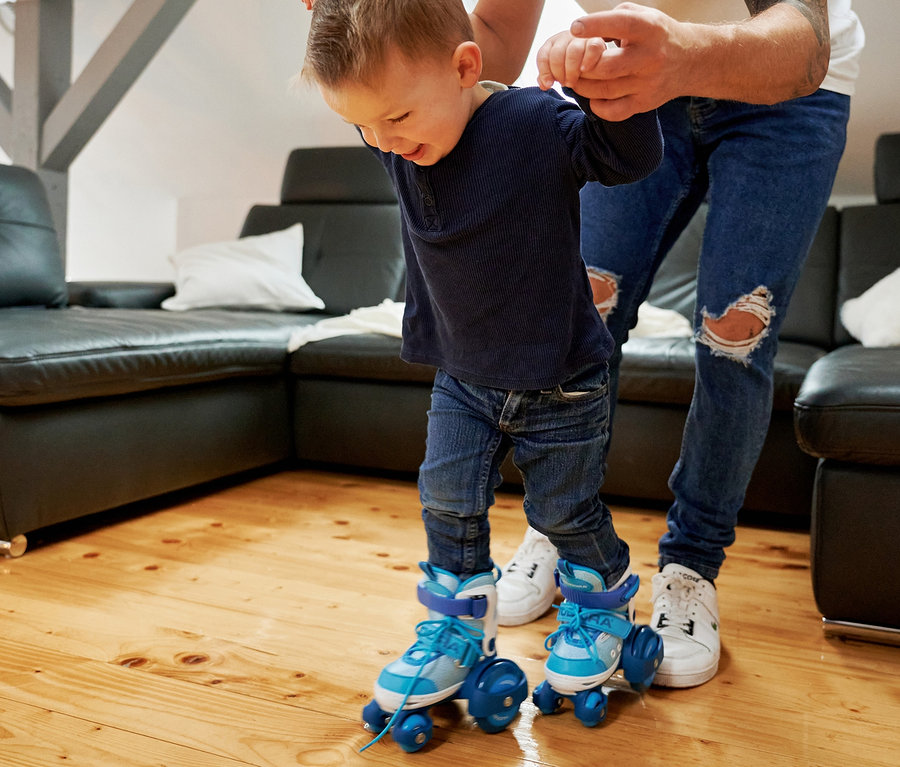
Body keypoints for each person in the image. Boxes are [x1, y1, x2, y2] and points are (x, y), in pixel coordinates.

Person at [303, 0, 664, 732]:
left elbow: (629, 158)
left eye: (395, 120)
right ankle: (459, 630)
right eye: (365, 126)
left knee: (562, 511)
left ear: (467, 68)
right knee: (445, 497)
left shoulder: (532, 122)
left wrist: (605, 86)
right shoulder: (398, 129)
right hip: (462, 377)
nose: (382, 142)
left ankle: (602, 605)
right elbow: (363, 59)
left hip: (561, 379)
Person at [497, 0, 864, 690]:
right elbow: (489, 35)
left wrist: (683, 52)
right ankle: (561, 529)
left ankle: (691, 568)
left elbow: (805, 42)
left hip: (786, 89)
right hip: (634, 80)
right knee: (582, 320)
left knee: (735, 342)